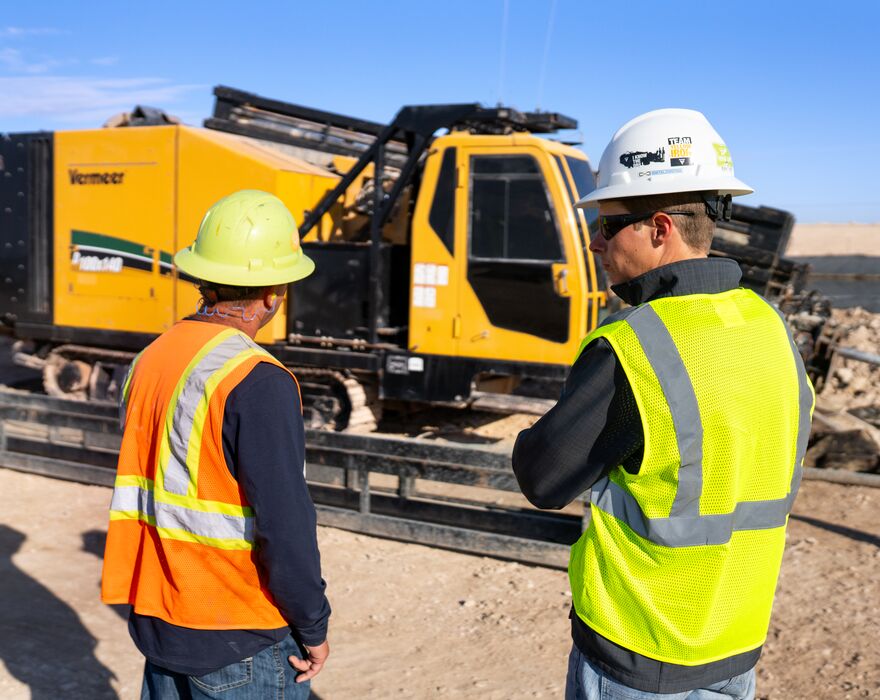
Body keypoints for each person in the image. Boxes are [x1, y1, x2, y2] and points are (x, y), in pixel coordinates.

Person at [512, 109, 814, 700]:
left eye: (607, 225)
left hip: (641, 651)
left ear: (657, 227)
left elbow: (542, 478)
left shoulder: (637, 344)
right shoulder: (770, 326)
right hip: (735, 642)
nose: (596, 242)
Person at [101, 190, 330, 698]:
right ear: (273, 292)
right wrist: (312, 625)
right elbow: (285, 520)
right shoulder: (257, 378)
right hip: (238, 630)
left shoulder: (153, 357)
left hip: (161, 617)